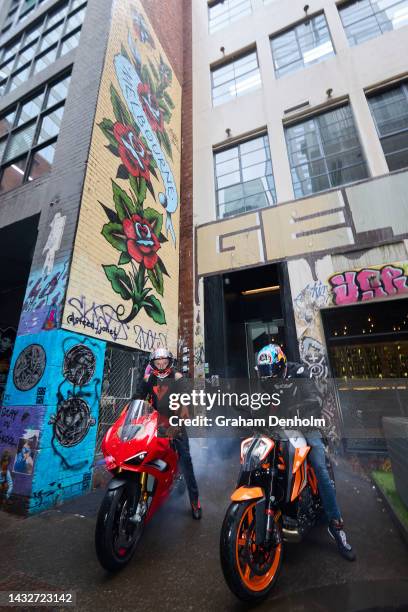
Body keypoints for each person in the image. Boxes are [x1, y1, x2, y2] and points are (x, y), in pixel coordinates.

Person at [256, 343, 356, 562]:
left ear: (281, 364)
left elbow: (315, 396)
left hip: (307, 424)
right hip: (283, 426)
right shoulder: (267, 381)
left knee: (320, 467)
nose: (267, 376)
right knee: (261, 457)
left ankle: (336, 525)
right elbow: (266, 404)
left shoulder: (299, 371)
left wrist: (305, 405)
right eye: (263, 372)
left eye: (270, 370)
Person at [137, 348, 202, 520]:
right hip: (155, 423)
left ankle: (195, 501)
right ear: (153, 364)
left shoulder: (178, 378)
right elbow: (138, 399)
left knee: (186, 460)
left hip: (176, 423)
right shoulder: (148, 379)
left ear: (169, 362)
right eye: (158, 363)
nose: (161, 366)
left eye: (164, 363)